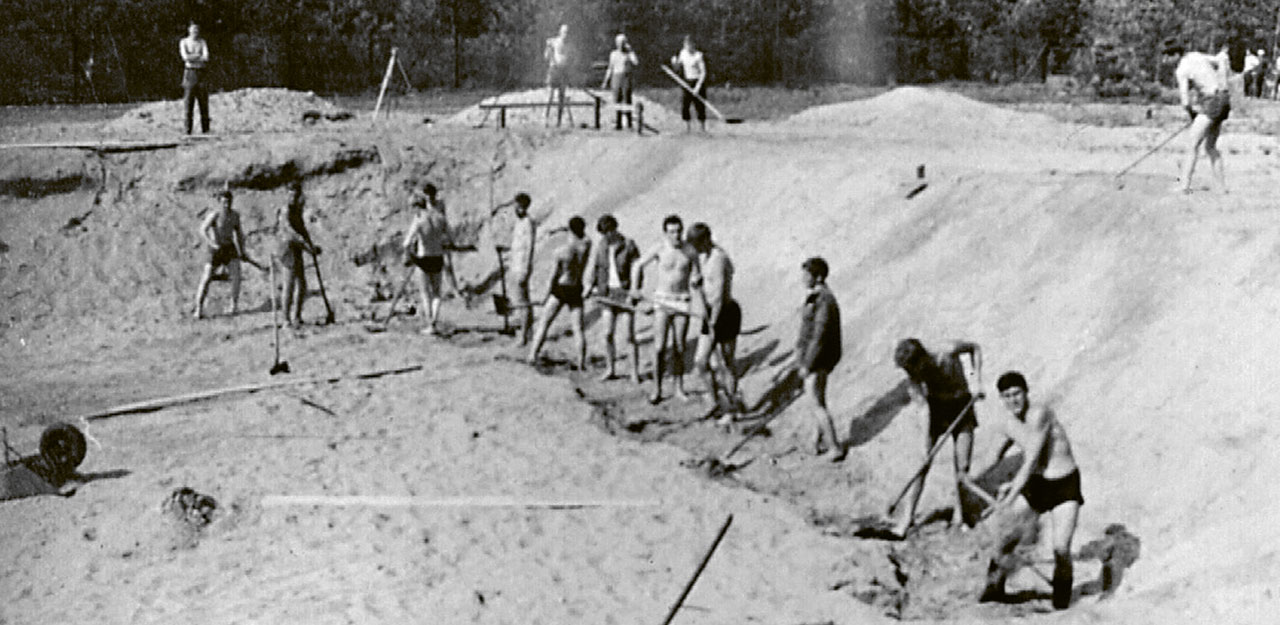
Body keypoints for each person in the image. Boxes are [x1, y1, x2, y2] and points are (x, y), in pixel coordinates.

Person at [971, 371, 1083, 611]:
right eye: (1007, 396)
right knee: (1005, 538)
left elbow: (1030, 461)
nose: (1014, 400)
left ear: (1026, 392)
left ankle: (1062, 603)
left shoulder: (1039, 415)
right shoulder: (1009, 421)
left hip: (1064, 485)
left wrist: (1008, 498)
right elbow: (993, 456)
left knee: (1061, 548)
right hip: (1037, 486)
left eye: (1017, 394)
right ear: (1002, 398)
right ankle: (994, 588)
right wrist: (968, 477)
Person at [891, 337, 984, 537]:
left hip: (962, 403)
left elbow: (974, 348)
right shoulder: (913, 376)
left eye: (912, 369)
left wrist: (974, 379)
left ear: (922, 360)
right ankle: (906, 519)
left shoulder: (947, 350)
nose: (911, 374)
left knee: (962, 466)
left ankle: (959, 516)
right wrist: (925, 446)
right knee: (922, 465)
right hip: (936, 408)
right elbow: (923, 409)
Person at [631, 215, 702, 404]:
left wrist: (696, 280)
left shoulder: (690, 250)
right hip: (662, 301)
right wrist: (635, 289)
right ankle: (657, 389)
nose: (676, 235)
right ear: (665, 233)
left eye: (679, 231)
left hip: (681, 301)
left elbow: (696, 274)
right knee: (659, 347)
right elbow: (637, 265)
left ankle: (679, 388)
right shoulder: (659, 248)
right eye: (672, 232)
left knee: (679, 347)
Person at [791, 257, 845, 461]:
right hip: (816, 358)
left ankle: (834, 447)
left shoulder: (824, 300)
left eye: (806, 275)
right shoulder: (816, 297)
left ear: (818, 277)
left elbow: (818, 337)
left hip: (818, 360)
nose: (802, 279)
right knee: (818, 399)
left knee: (816, 403)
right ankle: (816, 441)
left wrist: (807, 364)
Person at [688, 223, 741, 413]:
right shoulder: (703, 257)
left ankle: (732, 404)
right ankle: (715, 400)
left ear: (705, 240)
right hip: (709, 312)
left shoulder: (719, 258)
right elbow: (702, 284)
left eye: (697, 245)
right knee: (701, 362)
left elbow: (718, 296)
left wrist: (713, 323)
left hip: (725, 314)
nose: (696, 249)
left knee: (727, 362)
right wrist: (696, 284)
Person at [583, 214, 642, 382]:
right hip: (606, 294)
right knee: (607, 333)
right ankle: (611, 369)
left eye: (609, 232)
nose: (607, 236)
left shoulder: (629, 245)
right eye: (604, 233)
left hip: (624, 294)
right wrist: (589, 285)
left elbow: (637, 269)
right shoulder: (601, 246)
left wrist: (634, 291)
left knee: (629, 336)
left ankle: (634, 372)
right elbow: (596, 268)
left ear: (615, 229)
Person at [528, 216, 592, 369]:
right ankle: (581, 362)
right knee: (578, 329)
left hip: (561, 288)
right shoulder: (587, 245)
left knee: (544, 323)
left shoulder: (561, 252)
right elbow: (583, 235)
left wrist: (544, 297)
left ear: (570, 230)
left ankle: (532, 355)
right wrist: (565, 228)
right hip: (576, 288)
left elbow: (552, 277)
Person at [1171, 42, 1230, 194]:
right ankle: (1222, 188)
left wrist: (1192, 114)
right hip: (1223, 99)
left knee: (1192, 144)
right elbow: (1219, 60)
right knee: (1210, 146)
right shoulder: (1196, 55)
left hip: (1211, 102)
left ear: (1176, 55)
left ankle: (1183, 186)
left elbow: (1185, 102)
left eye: (1168, 56)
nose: (1166, 60)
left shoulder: (1181, 70)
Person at [192, 188, 253, 319]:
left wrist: (242, 251)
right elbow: (203, 230)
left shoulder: (235, 216)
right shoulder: (214, 215)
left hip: (229, 248)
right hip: (215, 249)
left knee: (236, 275)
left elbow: (239, 234)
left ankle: (233, 305)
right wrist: (211, 243)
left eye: (229, 202)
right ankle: (198, 308)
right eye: (224, 202)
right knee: (207, 277)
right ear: (219, 202)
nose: (227, 205)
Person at [402, 183, 453, 335]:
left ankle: (429, 324)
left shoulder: (418, 220)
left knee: (425, 294)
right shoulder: (440, 217)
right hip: (437, 257)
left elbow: (406, 242)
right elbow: (450, 237)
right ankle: (434, 323)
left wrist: (409, 254)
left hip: (423, 258)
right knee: (437, 293)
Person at [275, 181, 321, 326]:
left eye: (296, 195)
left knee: (302, 285)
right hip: (287, 248)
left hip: (297, 248)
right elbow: (290, 231)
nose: (293, 198)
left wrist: (311, 247)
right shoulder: (285, 210)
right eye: (291, 194)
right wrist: (305, 244)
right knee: (289, 285)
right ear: (287, 194)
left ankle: (297, 317)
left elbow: (302, 230)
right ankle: (285, 319)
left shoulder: (297, 210)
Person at [509, 193, 537, 346]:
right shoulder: (519, 222)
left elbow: (530, 247)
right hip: (516, 264)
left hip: (522, 266)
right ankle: (529, 333)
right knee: (522, 299)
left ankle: (523, 336)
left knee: (522, 302)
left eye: (517, 205)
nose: (515, 208)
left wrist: (525, 269)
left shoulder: (528, 223)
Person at [601, 34, 639, 130]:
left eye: (623, 42)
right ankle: (618, 123)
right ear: (616, 43)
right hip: (616, 77)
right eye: (619, 42)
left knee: (627, 99)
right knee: (617, 99)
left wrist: (630, 51)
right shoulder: (613, 54)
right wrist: (605, 81)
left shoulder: (628, 54)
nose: (621, 44)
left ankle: (629, 122)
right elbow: (610, 68)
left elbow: (636, 62)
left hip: (625, 77)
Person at [179, 22, 211, 135]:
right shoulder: (184, 42)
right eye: (193, 30)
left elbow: (206, 57)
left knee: (204, 103)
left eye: (197, 30)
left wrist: (193, 57)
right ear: (189, 30)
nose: (195, 33)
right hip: (190, 73)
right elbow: (185, 57)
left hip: (201, 73)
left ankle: (206, 130)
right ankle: (188, 130)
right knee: (188, 103)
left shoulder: (202, 42)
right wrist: (198, 56)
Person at [670, 36, 707, 132]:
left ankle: (702, 128)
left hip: (698, 81)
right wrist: (674, 62)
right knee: (685, 105)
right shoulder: (683, 53)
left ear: (693, 44)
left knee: (700, 106)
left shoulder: (699, 55)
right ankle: (687, 128)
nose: (688, 47)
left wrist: (698, 87)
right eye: (686, 45)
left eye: (689, 45)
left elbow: (703, 73)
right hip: (687, 82)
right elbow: (677, 68)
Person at [544, 24, 572, 128]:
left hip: (563, 71)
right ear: (560, 32)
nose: (566, 34)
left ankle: (558, 122)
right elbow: (546, 57)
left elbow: (569, 58)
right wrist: (548, 47)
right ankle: (545, 118)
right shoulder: (554, 42)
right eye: (564, 32)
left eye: (568, 32)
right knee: (550, 95)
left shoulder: (569, 45)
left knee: (562, 96)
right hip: (554, 69)